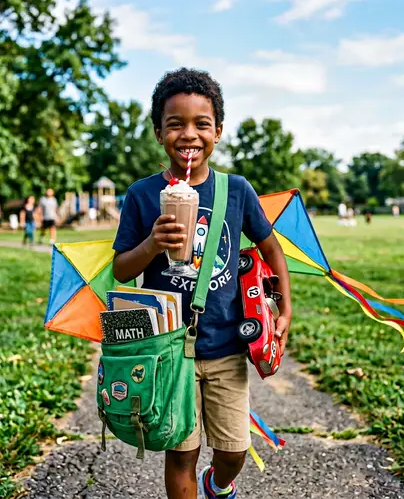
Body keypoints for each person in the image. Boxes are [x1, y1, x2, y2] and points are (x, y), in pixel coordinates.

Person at [112, 68, 292, 499]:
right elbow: (121, 268)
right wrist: (153, 244)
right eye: (175, 124)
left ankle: (218, 484)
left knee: (234, 450)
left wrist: (284, 308)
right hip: (170, 352)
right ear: (158, 132)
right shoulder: (141, 195)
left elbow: (272, 249)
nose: (188, 134)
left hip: (227, 348)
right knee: (181, 454)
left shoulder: (236, 191)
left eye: (201, 124)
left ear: (218, 131)